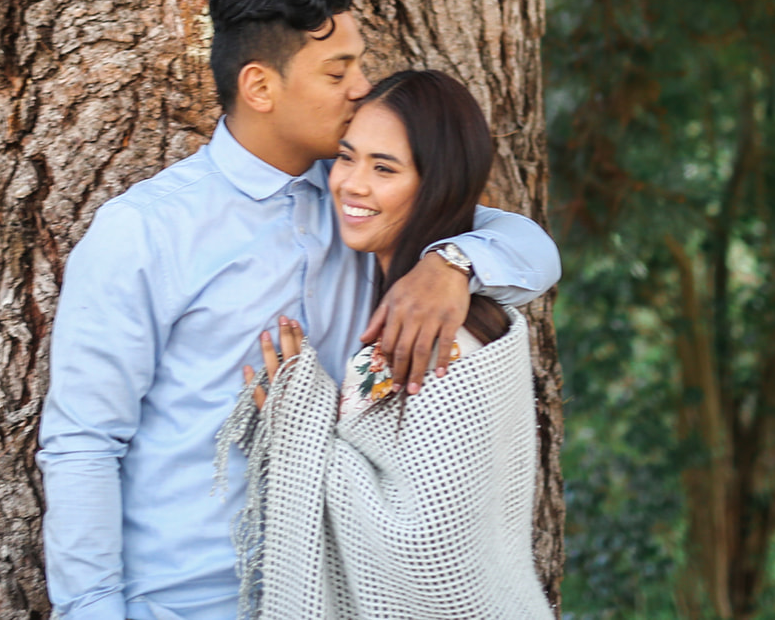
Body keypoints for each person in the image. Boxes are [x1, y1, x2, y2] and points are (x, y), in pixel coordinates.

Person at [38, 0, 561, 620]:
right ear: (260, 86)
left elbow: (534, 251)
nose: (362, 89)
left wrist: (451, 265)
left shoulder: (362, 201)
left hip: (337, 594)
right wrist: (90, 609)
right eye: (338, 73)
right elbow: (85, 442)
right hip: (188, 602)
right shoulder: (146, 230)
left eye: (360, 66)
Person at [220, 69, 556, 620]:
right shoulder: (408, 297)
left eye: (384, 168)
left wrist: (300, 423)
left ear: (436, 185)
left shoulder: (440, 335)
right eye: (346, 157)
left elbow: (432, 556)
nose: (352, 183)